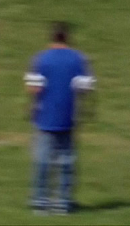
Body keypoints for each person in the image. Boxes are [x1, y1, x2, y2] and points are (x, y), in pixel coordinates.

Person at [25, 21, 95, 215]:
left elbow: (33, 88)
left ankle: (40, 202)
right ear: (67, 37)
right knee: (66, 162)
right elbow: (86, 88)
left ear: (52, 37)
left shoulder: (41, 59)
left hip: (44, 117)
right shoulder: (78, 59)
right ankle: (63, 203)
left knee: (42, 161)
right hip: (67, 116)